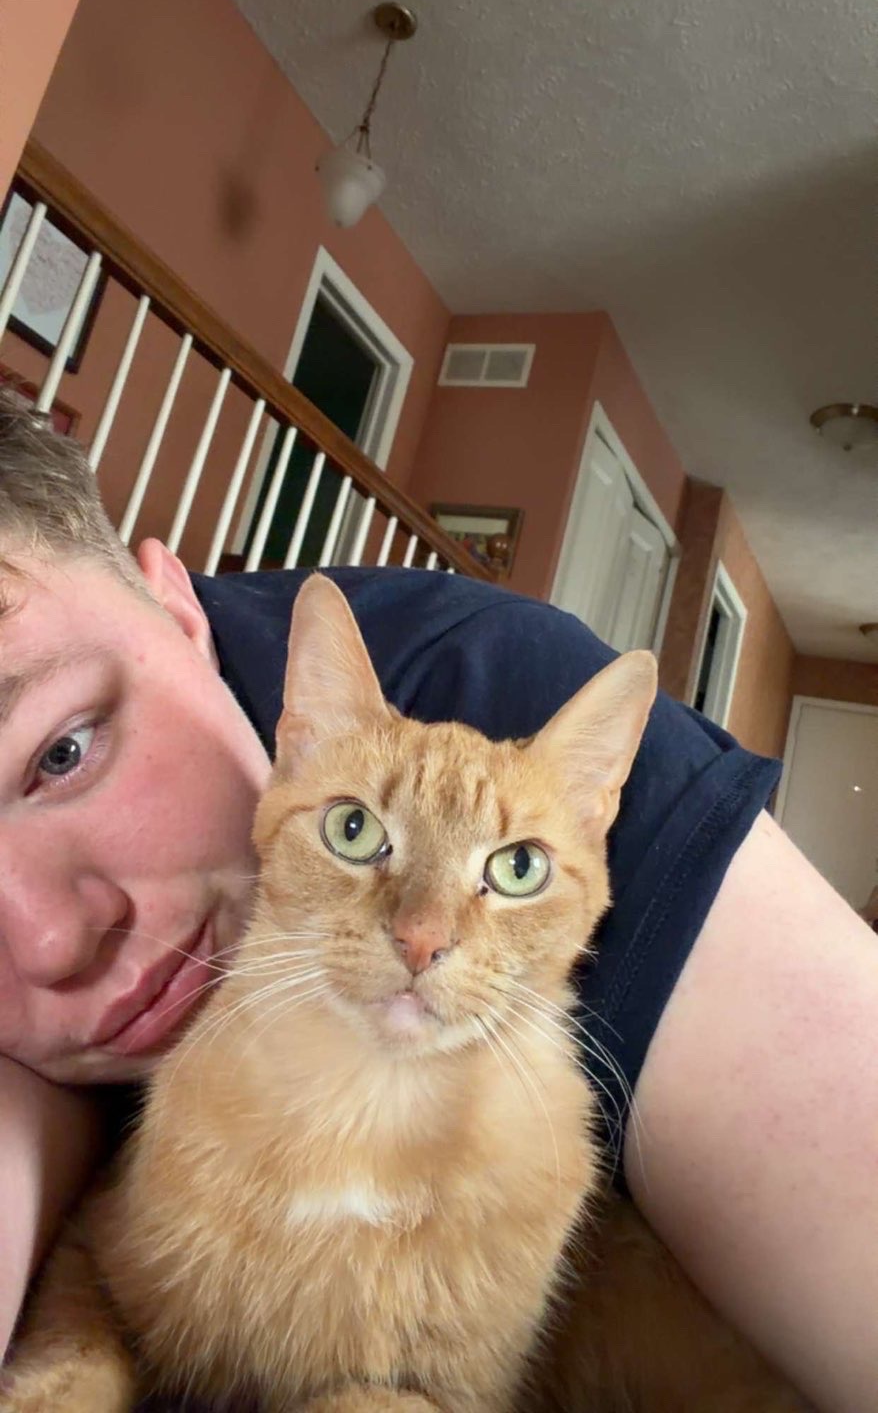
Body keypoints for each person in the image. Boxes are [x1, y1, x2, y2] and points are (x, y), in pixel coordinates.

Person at [0, 389, 874, 1413]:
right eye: (356, 835)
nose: (50, 938)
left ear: (178, 611)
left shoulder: (493, 672)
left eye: (65, 750)